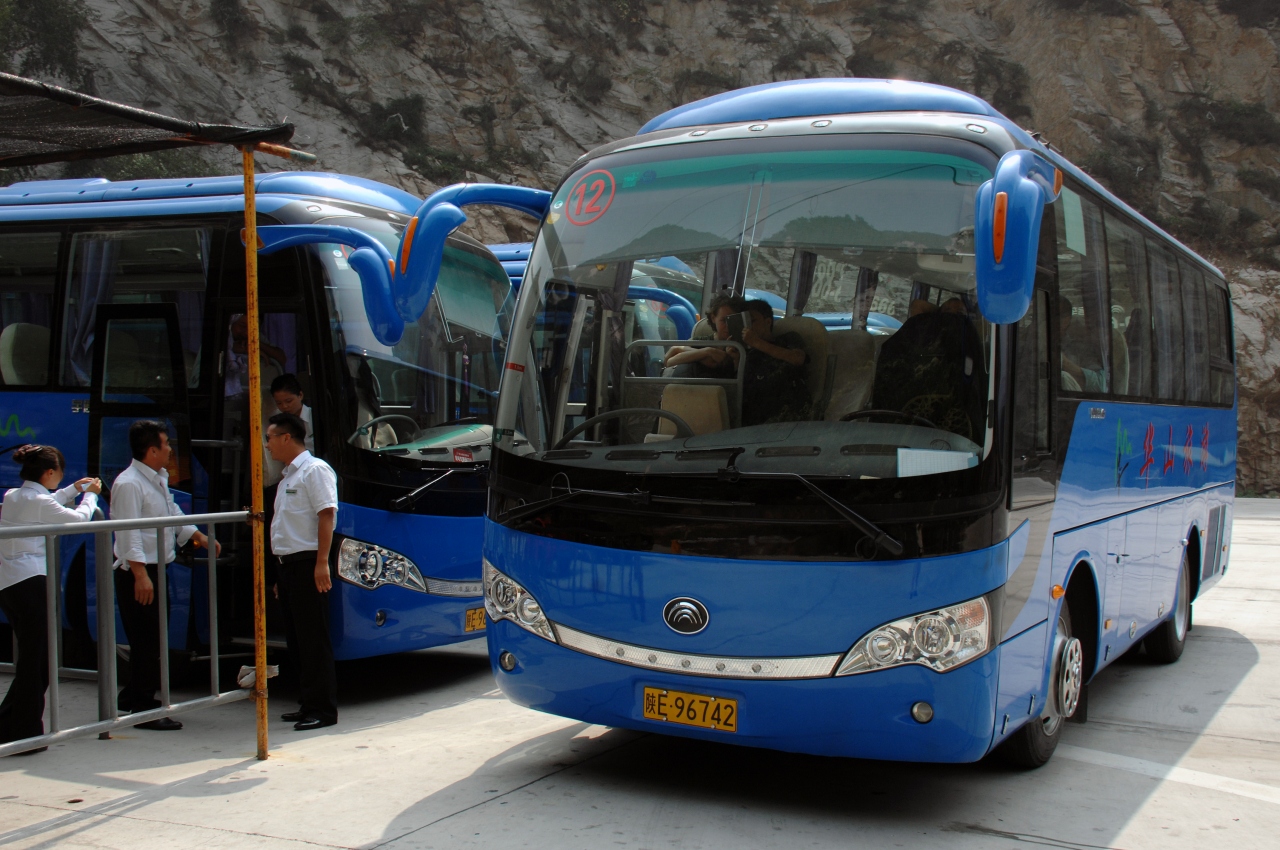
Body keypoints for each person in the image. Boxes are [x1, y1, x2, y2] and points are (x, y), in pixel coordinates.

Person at [112, 420, 218, 729]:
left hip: (157, 568)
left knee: (154, 637)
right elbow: (127, 532)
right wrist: (140, 574)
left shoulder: (157, 477)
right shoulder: (129, 483)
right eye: (166, 444)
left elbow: (172, 513)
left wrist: (197, 535)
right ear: (151, 450)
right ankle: (143, 709)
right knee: (147, 641)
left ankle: (133, 696)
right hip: (140, 571)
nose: (171, 450)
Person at [0, 446, 100, 752]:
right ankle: (26, 732)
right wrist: (90, 496)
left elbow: (47, 504)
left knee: (33, 659)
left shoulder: (13, 496)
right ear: (49, 473)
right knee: (38, 662)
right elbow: (78, 519)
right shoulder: (38, 501)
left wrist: (73, 489)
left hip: (10, 583)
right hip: (31, 583)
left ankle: (10, 724)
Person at [266, 412, 339, 731]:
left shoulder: (315, 470)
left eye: (270, 438)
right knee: (297, 641)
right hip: (288, 566)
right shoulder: (287, 478)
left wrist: (322, 562)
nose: (267, 445)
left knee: (313, 639)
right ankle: (308, 703)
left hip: (308, 563)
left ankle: (323, 709)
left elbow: (327, 515)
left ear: (286, 438)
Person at [735, 299, 809, 426]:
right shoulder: (743, 351)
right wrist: (735, 359)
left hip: (789, 411)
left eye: (752, 321)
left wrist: (757, 343)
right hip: (753, 415)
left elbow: (798, 358)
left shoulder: (788, 339)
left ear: (768, 322)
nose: (748, 327)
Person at [663, 292, 744, 376]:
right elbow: (670, 362)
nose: (728, 325)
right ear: (713, 318)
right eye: (723, 320)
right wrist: (707, 352)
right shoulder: (701, 342)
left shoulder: (742, 347)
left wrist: (736, 361)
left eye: (733, 321)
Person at [271, 373, 314, 454]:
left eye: (289, 401)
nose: (284, 406)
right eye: (279, 403)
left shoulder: (313, 417)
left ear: (300, 395)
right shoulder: (277, 422)